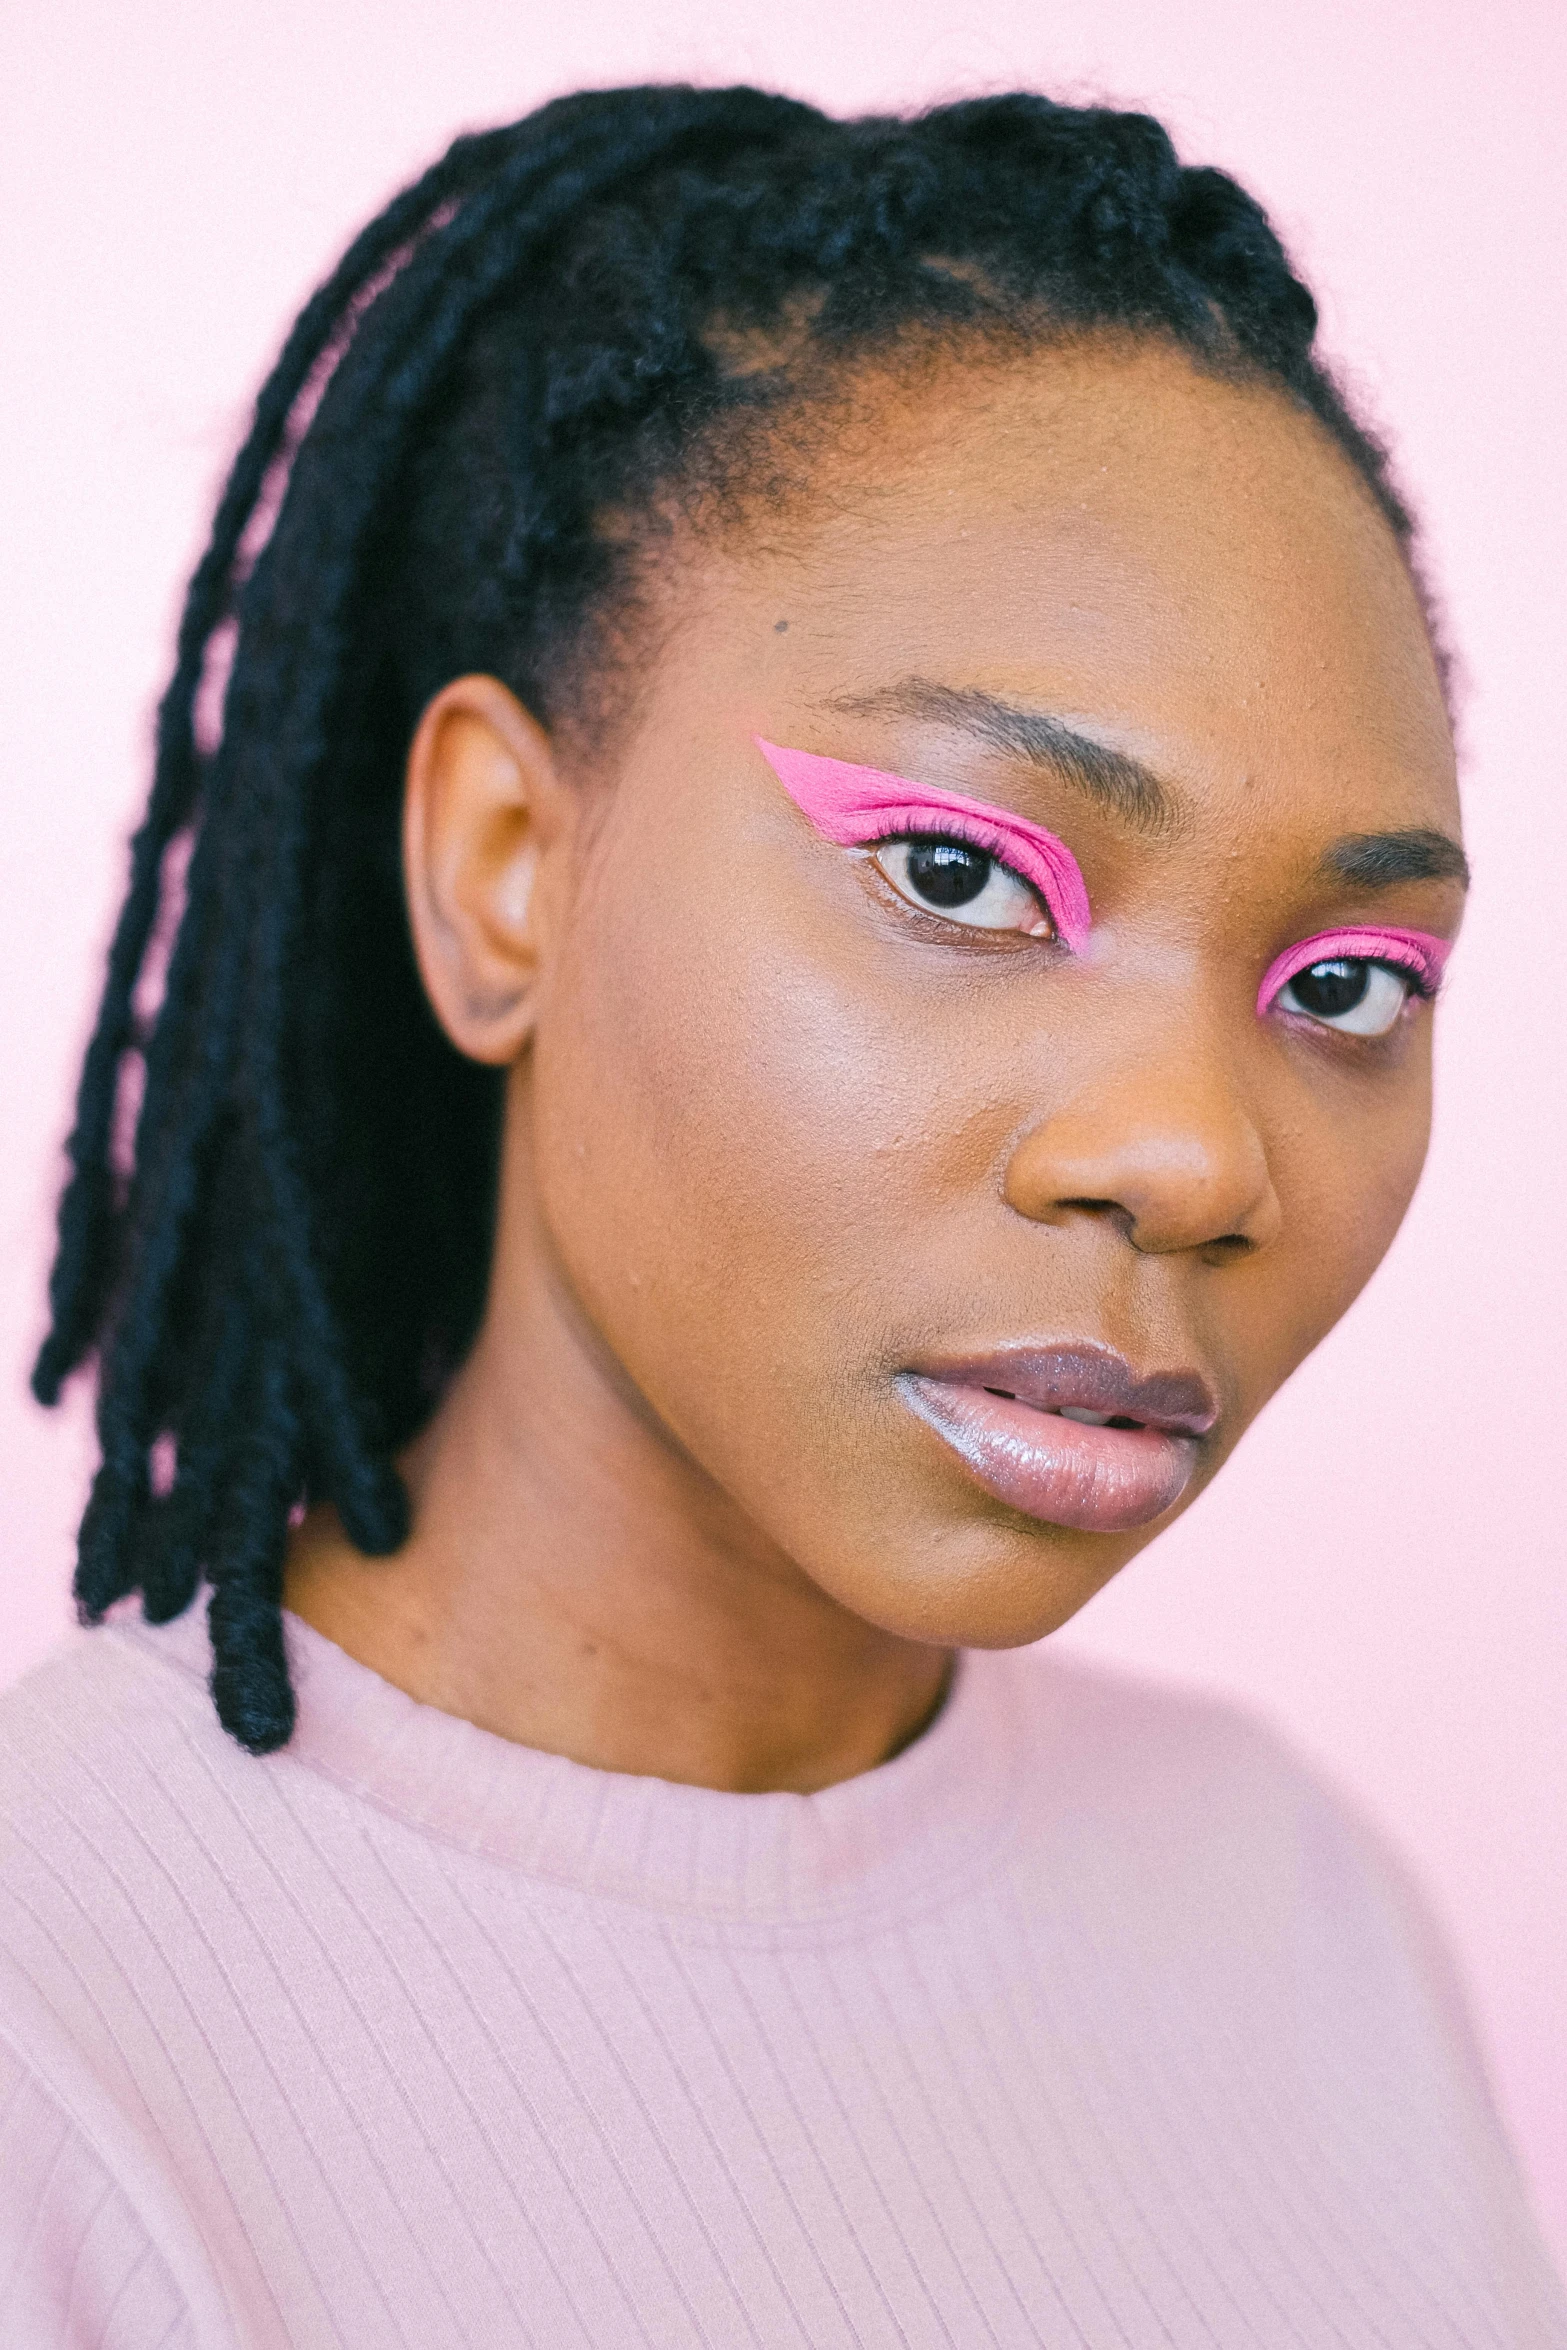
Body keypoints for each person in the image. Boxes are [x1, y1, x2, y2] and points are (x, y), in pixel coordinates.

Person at [1, 81, 1560, 2349]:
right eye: (958, 872)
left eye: (1344, 984)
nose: (1200, 1154)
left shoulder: (1294, 1906)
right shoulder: (68, 2041)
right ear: (505, 872)